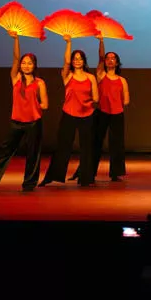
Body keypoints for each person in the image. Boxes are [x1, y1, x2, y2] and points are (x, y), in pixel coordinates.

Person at [0, 31, 48, 192]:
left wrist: (35, 103)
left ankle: (29, 184)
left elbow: (45, 105)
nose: (26, 65)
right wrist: (16, 39)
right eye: (24, 63)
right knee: (4, 151)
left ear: (34, 65)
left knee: (33, 155)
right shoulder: (15, 78)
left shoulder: (39, 83)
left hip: (33, 123)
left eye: (29, 63)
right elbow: (15, 58)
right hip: (16, 122)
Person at [38, 35, 98, 187]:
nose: (77, 61)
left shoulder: (90, 77)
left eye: (80, 58)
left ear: (84, 61)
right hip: (69, 114)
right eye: (75, 58)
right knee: (62, 146)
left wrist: (87, 102)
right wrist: (68, 43)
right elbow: (65, 61)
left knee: (87, 147)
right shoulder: (67, 75)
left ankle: (86, 178)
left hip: (87, 115)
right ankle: (52, 176)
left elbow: (96, 97)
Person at [70, 35, 130, 182]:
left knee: (117, 144)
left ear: (117, 63)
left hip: (117, 114)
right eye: (108, 58)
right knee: (95, 143)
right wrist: (102, 42)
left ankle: (115, 173)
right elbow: (101, 57)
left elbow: (126, 100)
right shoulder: (101, 75)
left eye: (113, 58)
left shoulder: (122, 80)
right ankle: (87, 172)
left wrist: (116, 103)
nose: (110, 60)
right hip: (102, 113)